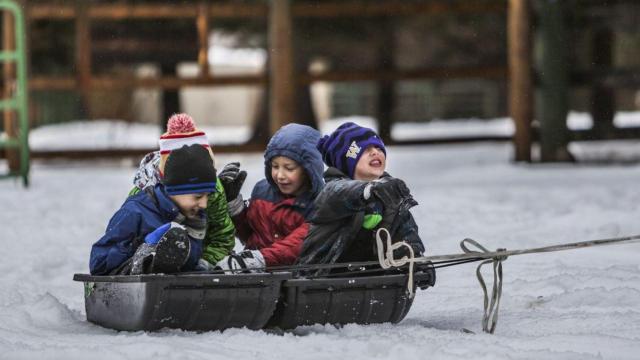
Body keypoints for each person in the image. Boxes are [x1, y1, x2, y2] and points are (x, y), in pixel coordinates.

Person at [298, 122, 432, 285]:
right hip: (319, 282)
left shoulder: (389, 195)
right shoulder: (332, 191)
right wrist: (368, 190)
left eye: (378, 148)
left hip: (373, 282)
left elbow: (406, 234)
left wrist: (416, 261)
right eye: (365, 150)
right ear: (347, 162)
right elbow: (342, 192)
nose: (375, 152)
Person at [89, 143, 219, 275]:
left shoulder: (194, 218)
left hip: (172, 290)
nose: (204, 204)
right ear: (174, 191)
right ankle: (146, 261)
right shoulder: (135, 212)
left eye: (207, 196)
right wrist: (139, 247)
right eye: (198, 197)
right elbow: (99, 264)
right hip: (131, 286)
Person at [127, 113, 235, 269]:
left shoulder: (213, 190)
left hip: (199, 261)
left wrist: (205, 263)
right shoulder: (142, 195)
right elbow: (123, 242)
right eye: (197, 195)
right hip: (152, 267)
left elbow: (222, 236)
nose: (203, 202)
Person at [215, 123, 324, 271]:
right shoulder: (262, 192)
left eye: (289, 168)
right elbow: (250, 233)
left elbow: (297, 245)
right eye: (275, 166)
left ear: (308, 169)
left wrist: (257, 260)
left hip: (294, 280)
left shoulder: (321, 203)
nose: (280, 175)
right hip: (255, 277)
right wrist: (233, 205)